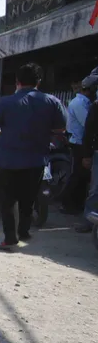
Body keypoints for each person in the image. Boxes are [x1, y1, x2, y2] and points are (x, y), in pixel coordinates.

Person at [0, 63, 67, 250]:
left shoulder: (5, 102)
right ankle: (23, 231)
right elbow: (61, 129)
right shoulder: (52, 102)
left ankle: (10, 238)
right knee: (28, 198)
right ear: (38, 81)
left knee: (7, 200)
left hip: (8, 160)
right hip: (36, 160)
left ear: (17, 81)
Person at [62, 77, 94, 215]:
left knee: (83, 176)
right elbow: (87, 123)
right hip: (79, 143)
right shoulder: (79, 103)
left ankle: (77, 203)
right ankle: (67, 203)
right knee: (78, 174)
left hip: (82, 142)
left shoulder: (85, 102)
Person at [75, 69, 98, 233]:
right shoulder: (95, 106)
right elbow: (89, 133)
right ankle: (89, 221)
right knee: (95, 189)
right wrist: (87, 155)